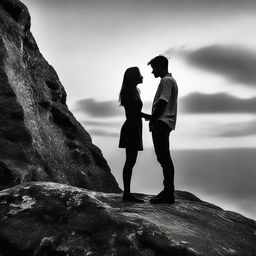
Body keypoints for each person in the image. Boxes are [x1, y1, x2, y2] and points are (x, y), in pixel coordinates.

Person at [148, 55, 178, 204]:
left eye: (154, 68)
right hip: (164, 122)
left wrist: (153, 119)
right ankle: (168, 191)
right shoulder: (169, 80)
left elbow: (162, 102)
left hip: (162, 122)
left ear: (161, 67)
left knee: (164, 158)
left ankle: (168, 193)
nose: (152, 72)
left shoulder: (166, 81)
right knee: (164, 158)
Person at [119, 67, 151, 203]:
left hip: (135, 127)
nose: (142, 76)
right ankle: (127, 193)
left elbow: (135, 112)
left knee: (131, 161)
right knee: (130, 161)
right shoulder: (128, 91)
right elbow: (133, 113)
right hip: (131, 128)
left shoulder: (134, 91)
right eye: (139, 74)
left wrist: (146, 116)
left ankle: (127, 193)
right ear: (133, 77)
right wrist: (149, 116)